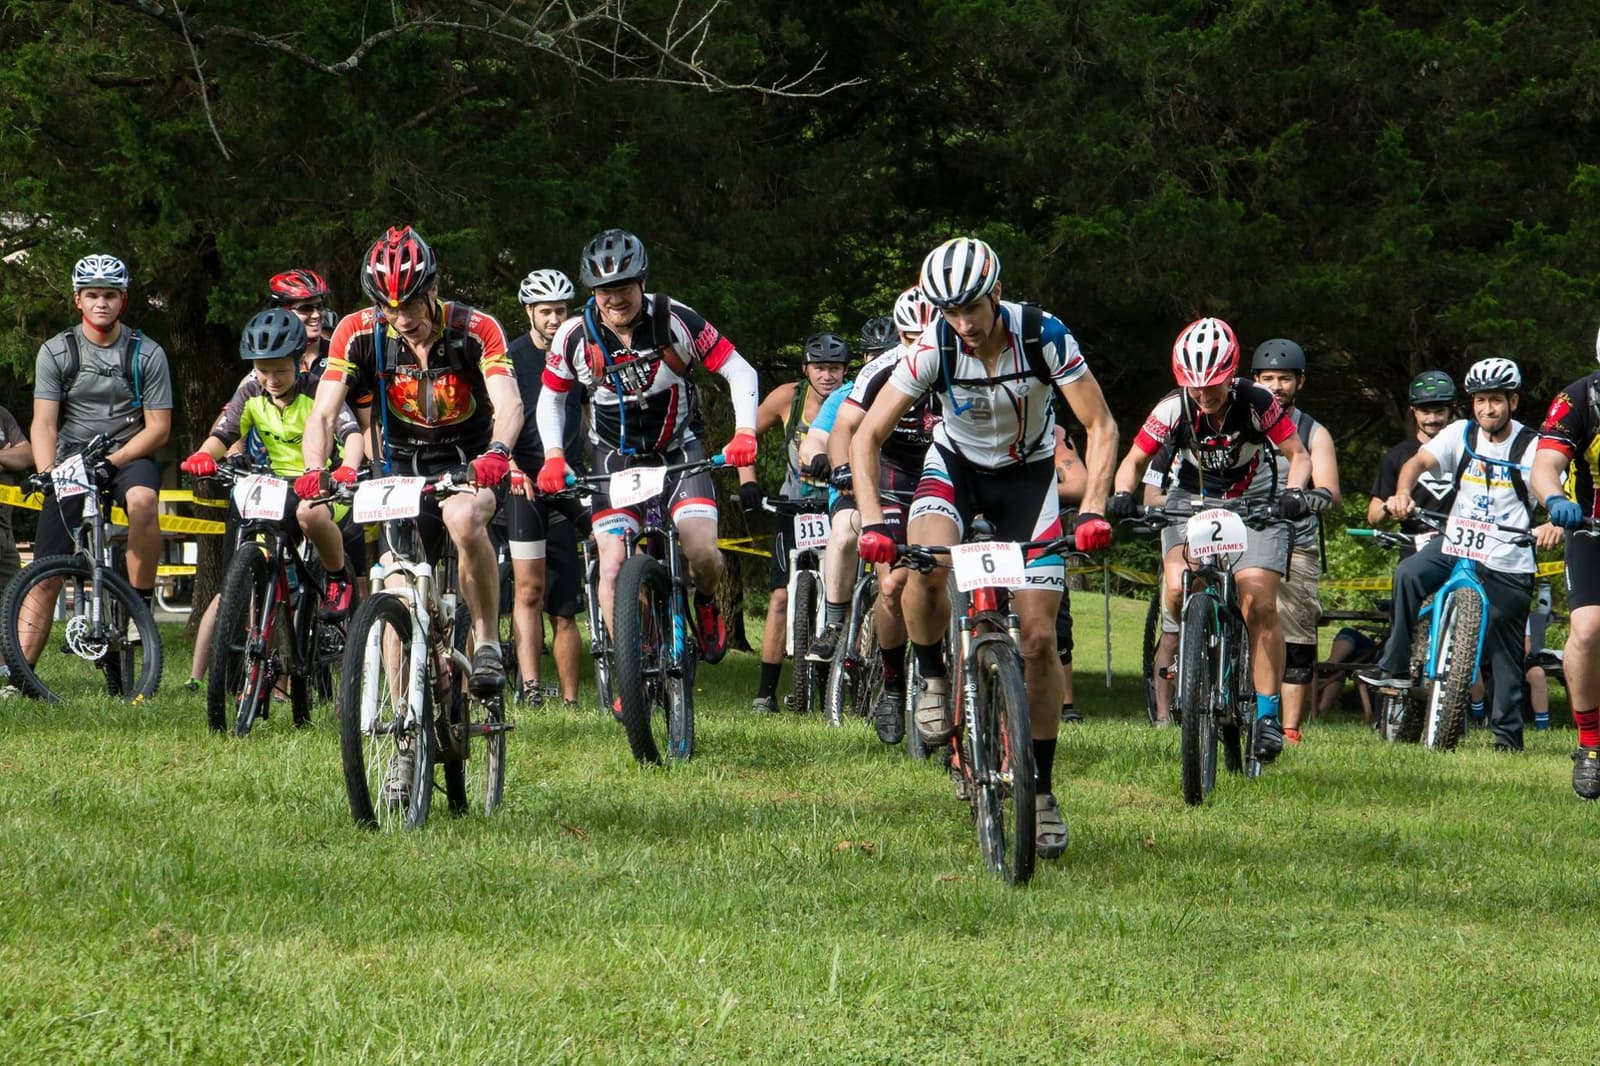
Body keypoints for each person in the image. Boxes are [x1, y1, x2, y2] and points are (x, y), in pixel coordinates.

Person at [853, 238, 1119, 859]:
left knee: (1038, 639)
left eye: (972, 308)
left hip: (1028, 479)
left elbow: (1099, 424)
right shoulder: (933, 347)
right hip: (955, 469)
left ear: (996, 293)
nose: (964, 324)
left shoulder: (1044, 335)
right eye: (950, 312)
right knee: (922, 568)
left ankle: (1043, 790)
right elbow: (868, 434)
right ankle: (936, 677)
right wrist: (870, 521)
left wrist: (1097, 505)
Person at [304, 225, 523, 695]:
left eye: (410, 303)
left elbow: (509, 403)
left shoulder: (475, 328)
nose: (400, 317)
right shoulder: (357, 331)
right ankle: (402, 716)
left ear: (434, 290)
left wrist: (499, 452)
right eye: (389, 306)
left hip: (469, 460)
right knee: (394, 585)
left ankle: (485, 641)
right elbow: (323, 412)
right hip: (401, 465)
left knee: (464, 520)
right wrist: (313, 468)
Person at [534, 229, 759, 673]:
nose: (614, 299)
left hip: (677, 449)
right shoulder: (574, 336)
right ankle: (632, 673)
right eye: (604, 291)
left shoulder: (676, 320)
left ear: (641, 283)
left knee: (702, 552)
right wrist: (554, 455)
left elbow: (739, 369)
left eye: (623, 287)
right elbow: (551, 398)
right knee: (613, 567)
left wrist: (745, 432)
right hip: (613, 456)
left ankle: (707, 601)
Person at [1107, 317, 1313, 763]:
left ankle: (1267, 714)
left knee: (1257, 601)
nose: (1204, 394)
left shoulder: (1258, 401)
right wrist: (1124, 494)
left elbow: (1298, 454)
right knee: (1179, 585)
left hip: (1257, 501)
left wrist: (1294, 493)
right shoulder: (1172, 408)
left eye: (1214, 384)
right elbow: (1134, 459)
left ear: (1231, 372)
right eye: (1194, 385)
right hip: (1191, 502)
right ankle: (1194, 652)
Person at [1364, 357, 1557, 752]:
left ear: (1513, 402)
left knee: (1506, 652)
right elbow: (1417, 462)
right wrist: (1402, 492)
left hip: (1508, 553)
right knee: (1410, 573)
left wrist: (1553, 521)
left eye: (1497, 401)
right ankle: (1396, 667)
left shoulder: (1532, 445)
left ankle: (1507, 738)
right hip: (1457, 542)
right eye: (1481, 400)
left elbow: (1551, 485)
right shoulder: (1460, 434)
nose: (1488, 409)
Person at [179, 310, 365, 674]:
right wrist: (203, 455)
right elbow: (224, 433)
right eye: (264, 370)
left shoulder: (318, 389)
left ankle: (337, 577)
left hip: (324, 484)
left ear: (298, 363)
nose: (272, 379)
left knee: (309, 514)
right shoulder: (251, 391)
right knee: (254, 524)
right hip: (277, 484)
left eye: (281, 370)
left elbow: (352, 434)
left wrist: (347, 469)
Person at [16, 254, 173, 673]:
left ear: (123, 300)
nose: (101, 303)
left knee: (142, 502)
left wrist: (112, 461)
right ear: (78, 301)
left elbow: (158, 429)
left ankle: (138, 607)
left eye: (109, 295)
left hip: (129, 452)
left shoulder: (146, 353)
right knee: (46, 570)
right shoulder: (57, 351)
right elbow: (44, 423)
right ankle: (18, 671)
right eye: (92, 295)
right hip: (72, 459)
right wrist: (49, 472)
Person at [808, 286, 938, 743]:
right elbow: (844, 426)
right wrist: (844, 470)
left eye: (927, 334)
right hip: (892, 473)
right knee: (894, 582)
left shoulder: (963, 363)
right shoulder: (882, 370)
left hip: (948, 470)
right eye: (908, 336)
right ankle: (892, 684)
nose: (917, 345)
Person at [743, 331, 849, 713]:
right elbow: (744, 437)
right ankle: (765, 692)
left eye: (834, 368)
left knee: (845, 593)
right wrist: (749, 482)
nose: (827, 376)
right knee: (781, 596)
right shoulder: (789, 397)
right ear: (806, 369)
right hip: (795, 506)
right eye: (819, 368)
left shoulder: (855, 397)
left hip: (839, 504)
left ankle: (844, 684)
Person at [1250, 338, 1340, 745]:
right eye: (1267, 378)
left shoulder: (1313, 431)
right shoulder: (1242, 419)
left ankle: (1288, 730)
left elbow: (1330, 492)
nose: (1276, 386)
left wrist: (1303, 499)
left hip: (1294, 543)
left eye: (1284, 378)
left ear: (1300, 382)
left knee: (1296, 637)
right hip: (1242, 538)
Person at [504, 267, 587, 709]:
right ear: (529, 312)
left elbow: (594, 412)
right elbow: (497, 418)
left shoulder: (579, 350)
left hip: (568, 482)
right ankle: (532, 691)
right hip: (525, 485)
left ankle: (572, 699)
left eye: (561, 311)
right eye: (546, 312)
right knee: (529, 591)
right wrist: (513, 467)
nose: (555, 320)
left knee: (566, 606)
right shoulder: (512, 356)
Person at [1530, 333, 1600, 793]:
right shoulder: (1580, 398)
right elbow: (1545, 463)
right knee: (1589, 629)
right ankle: (1591, 744)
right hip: (1592, 527)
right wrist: (1556, 499)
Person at [1368, 370, 1458, 553]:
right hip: (1415, 548)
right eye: (1425, 412)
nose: (1432, 419)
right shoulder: (1397, 455)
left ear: (1452, 409)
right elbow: (1373, 515)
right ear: (1413, 411)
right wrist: (1389, 506)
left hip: (1462, 547)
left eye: (1439, 411)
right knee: (1406, 577)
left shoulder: (1468, 450)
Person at [1053, 427, 1087, 723]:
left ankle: (1066, 704)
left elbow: (1079, 484)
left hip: (1039, 535)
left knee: (1057, 622)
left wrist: (1030, 489)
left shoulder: (1054, 433)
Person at [0, 405, 33, 591]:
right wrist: (8, 456)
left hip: (6, 526)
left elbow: (28, 454)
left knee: (13, 600)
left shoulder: (2, 414)